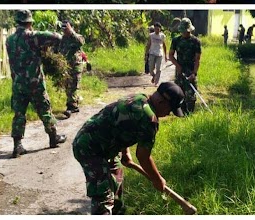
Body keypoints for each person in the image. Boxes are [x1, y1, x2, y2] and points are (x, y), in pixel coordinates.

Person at [73, 82, 185, 214]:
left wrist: (125, 152)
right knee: (103, 195)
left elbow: (122, 125)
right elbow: (143, 157)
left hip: (105, 146)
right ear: (161, 102)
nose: (168, 113)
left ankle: (118, 213)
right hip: (90, 148)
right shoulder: (149, 119)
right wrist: (157, 179)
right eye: (170, 109)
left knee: (116, 182)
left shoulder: (139, 98)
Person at [5, 10, 72, 158]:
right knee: (44, 109)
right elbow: (57, 37)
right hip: (34, 82)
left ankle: (17, 146)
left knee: (19, 113)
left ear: (17, 22)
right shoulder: (32, 36)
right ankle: (53, 137)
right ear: (30, 22)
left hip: (18, 83)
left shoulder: (9, 40)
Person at [168, 18, 201, 115]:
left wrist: (194, 73)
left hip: (190, 71)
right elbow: (170, 55)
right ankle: (181, 114)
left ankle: (189, 114)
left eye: (186, 31)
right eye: (182, 31)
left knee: (190, 95)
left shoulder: (196, 41)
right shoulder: (176, 40)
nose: (184, 33)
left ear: (190, 30)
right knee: (179, 93)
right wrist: (177, 66)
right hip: (180, 72)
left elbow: (197, 59)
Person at [58, 21, 85, 117]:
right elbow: (59, 50)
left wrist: (71, 32)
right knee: (67, 86)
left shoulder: (77, 37)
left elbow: (81, 42)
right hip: (66, 66)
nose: (65, 30)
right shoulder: (63, 39)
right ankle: (74, 103)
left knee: (73, 86)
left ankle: (71, 106)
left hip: (76, 65)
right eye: (63, 28)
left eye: (66, 27)